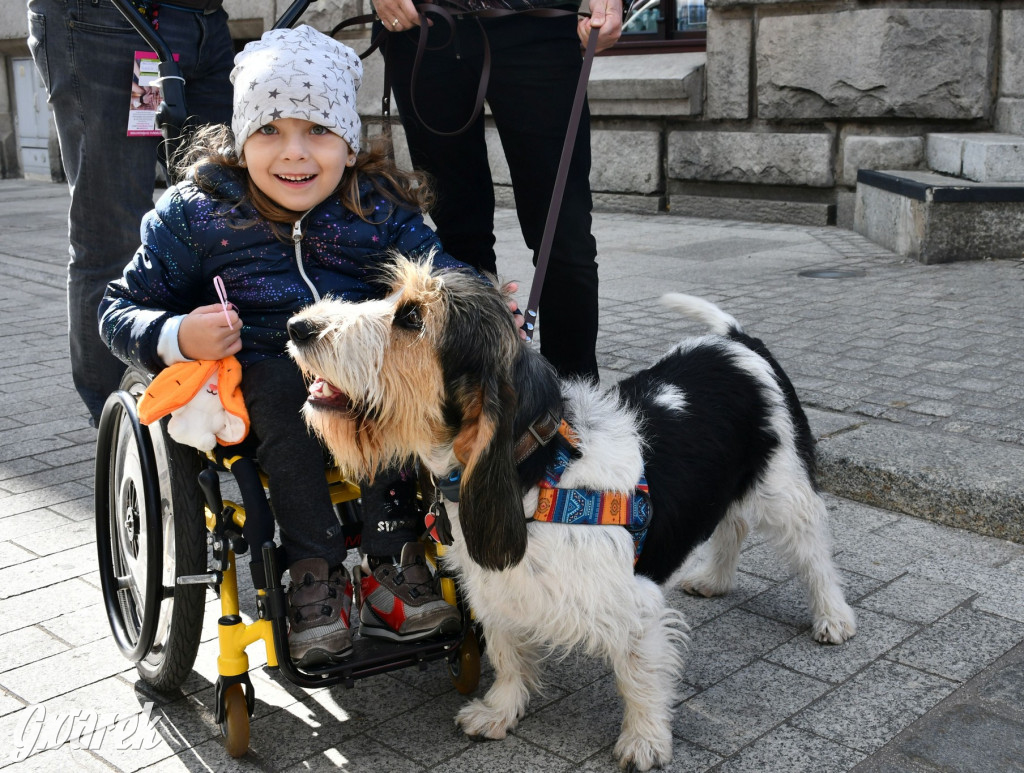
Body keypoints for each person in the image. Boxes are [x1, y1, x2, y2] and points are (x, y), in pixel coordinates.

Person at [99, 26, 470, 667]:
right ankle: (312, 568)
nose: (294, 154)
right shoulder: (196, 216)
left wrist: (488, 304)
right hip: (258, 375)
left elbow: (444, 277)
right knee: (279, 392)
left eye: (318, 131)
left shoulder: (378, 208)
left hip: (360, 368)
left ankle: (392, 559)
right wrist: (179, 334)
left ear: (350, 147)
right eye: (270, 130)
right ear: (241, 142)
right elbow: (116, 311)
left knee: (388, 384)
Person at [370, 0, 623, 383]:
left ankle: (577, 413)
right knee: (456, 239)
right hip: (424, 26)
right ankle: (477, 400)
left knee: (564, 237)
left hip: (539, 22)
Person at [26, 0, 236, 426]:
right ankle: (120, 423)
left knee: (227, 219)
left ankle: (213, 389)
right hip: (108, 18)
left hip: (206, 21)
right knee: (112, 233)